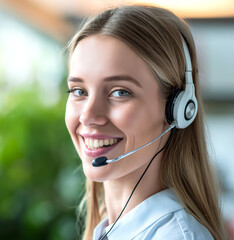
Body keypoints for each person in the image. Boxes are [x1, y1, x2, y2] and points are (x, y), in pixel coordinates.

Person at [64, 4, 226, 240]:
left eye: (119, 92)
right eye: (79, 91)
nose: (88, 116)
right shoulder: (111, 230)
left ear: (177, 109)